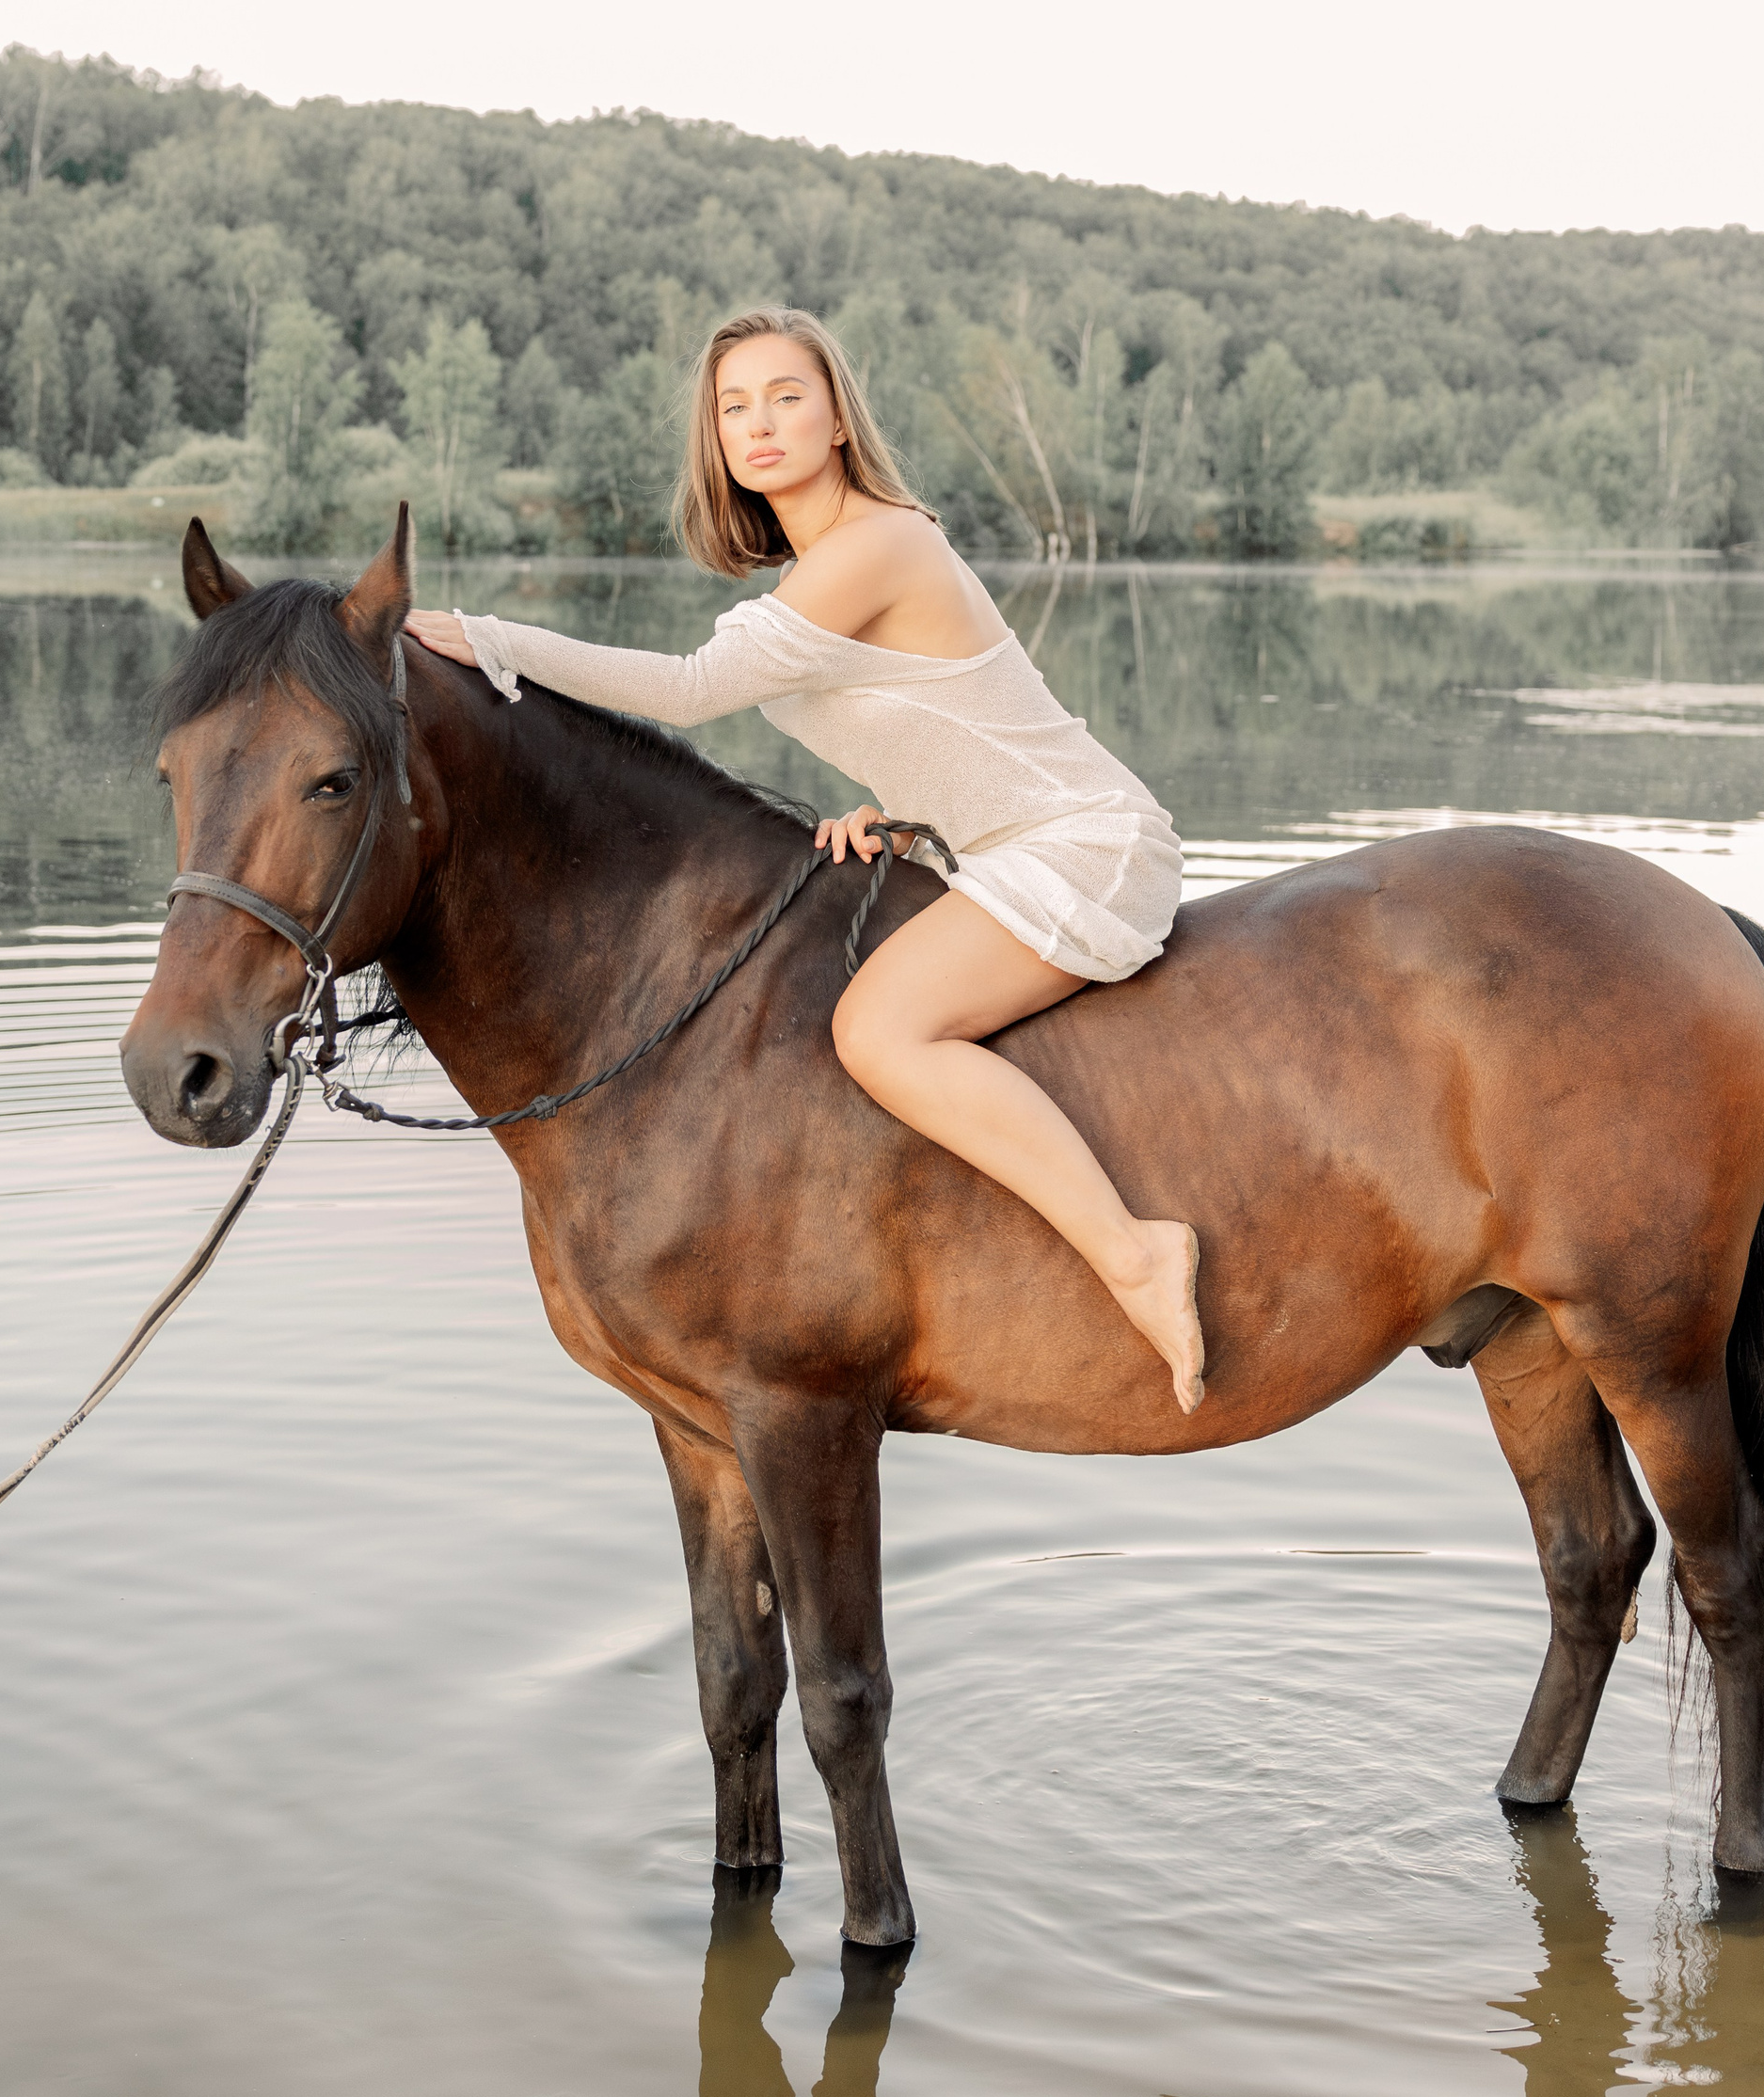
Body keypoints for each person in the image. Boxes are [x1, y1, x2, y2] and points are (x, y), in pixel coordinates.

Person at [405, 307, 1203, 1411]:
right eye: (734, 407)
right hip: (1007, 846)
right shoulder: (832, 561)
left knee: (876, 1027)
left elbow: (690, 690)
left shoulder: (878, 543)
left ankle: (1131, 1251)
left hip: (1083, 846)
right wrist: (901, 808)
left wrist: (492, 641)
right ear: (716, 440)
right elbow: (960, 714)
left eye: (785, 396)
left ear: (836, 418)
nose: (759, 423)